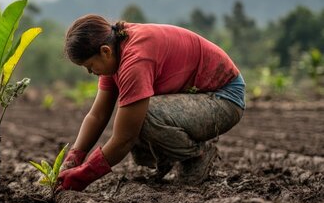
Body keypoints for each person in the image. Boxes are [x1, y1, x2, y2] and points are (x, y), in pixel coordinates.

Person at [57, 14, 245, 191]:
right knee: (137, 135)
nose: (90, 73)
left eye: (90, 67)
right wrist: (74, 157)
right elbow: (97, 115)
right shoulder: (115, 52)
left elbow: (124, 139)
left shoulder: (135, 60)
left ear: (105, 51)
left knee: (141, 116)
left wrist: (84, 175)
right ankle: (170, 156)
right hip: (200, 96)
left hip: (225, 98)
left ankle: (195, 156)